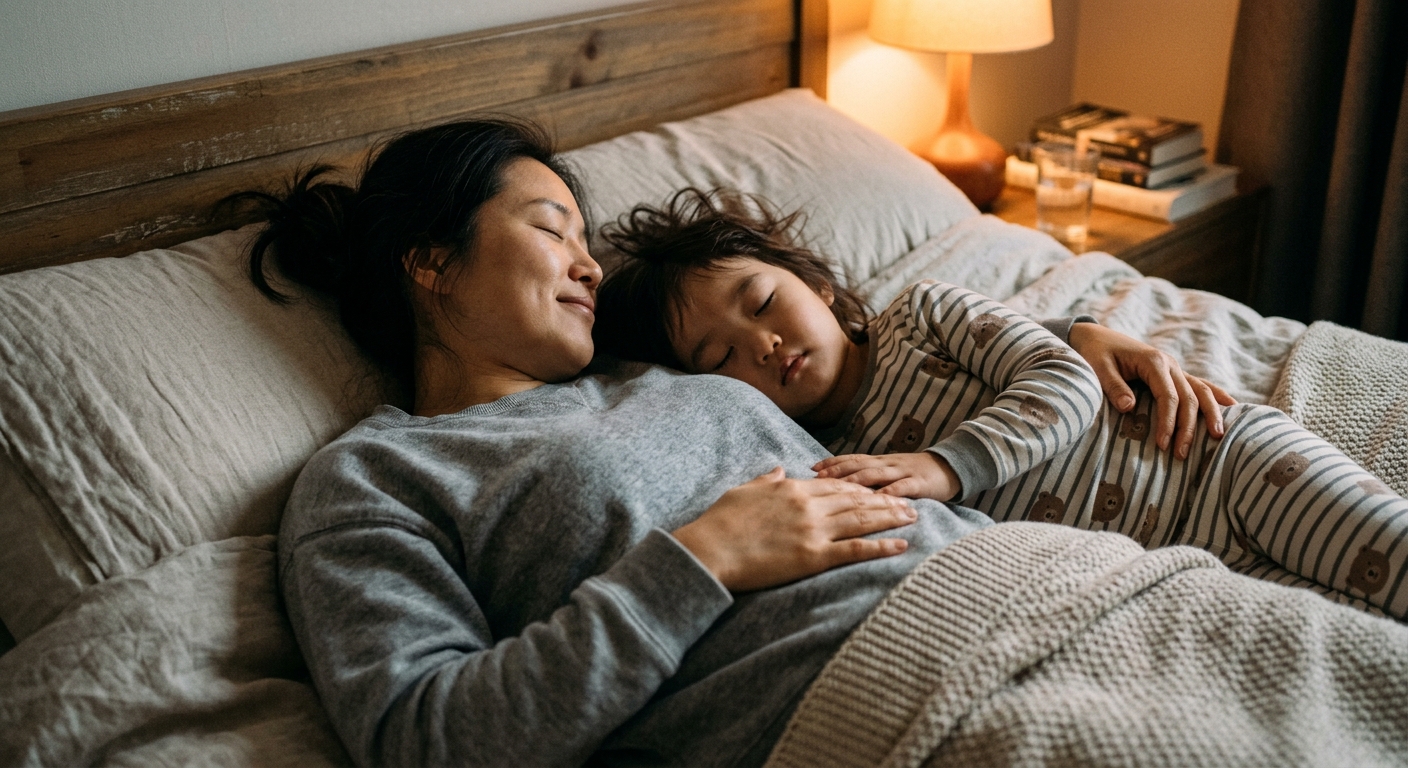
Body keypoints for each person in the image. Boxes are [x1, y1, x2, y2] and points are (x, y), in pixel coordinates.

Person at [240, 119, 1382, 767]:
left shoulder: (655, 367)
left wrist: (1071, 335)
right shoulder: (373, 480)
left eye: (588, 238)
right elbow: (424, 742)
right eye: (551, 230)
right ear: (428, 263)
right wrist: (698, 561)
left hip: (1089, 589)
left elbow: (871, 379)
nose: (588, 264)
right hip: (916, 700)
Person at [592, 187, 1408, 620]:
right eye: (720, 357)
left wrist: (945, 467)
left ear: (816, 284)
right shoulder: (823, 463)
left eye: (763, 304)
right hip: (1176, 563)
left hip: (1220, 463)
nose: (760, 345)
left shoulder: (926, 315)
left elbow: (1067, 380)